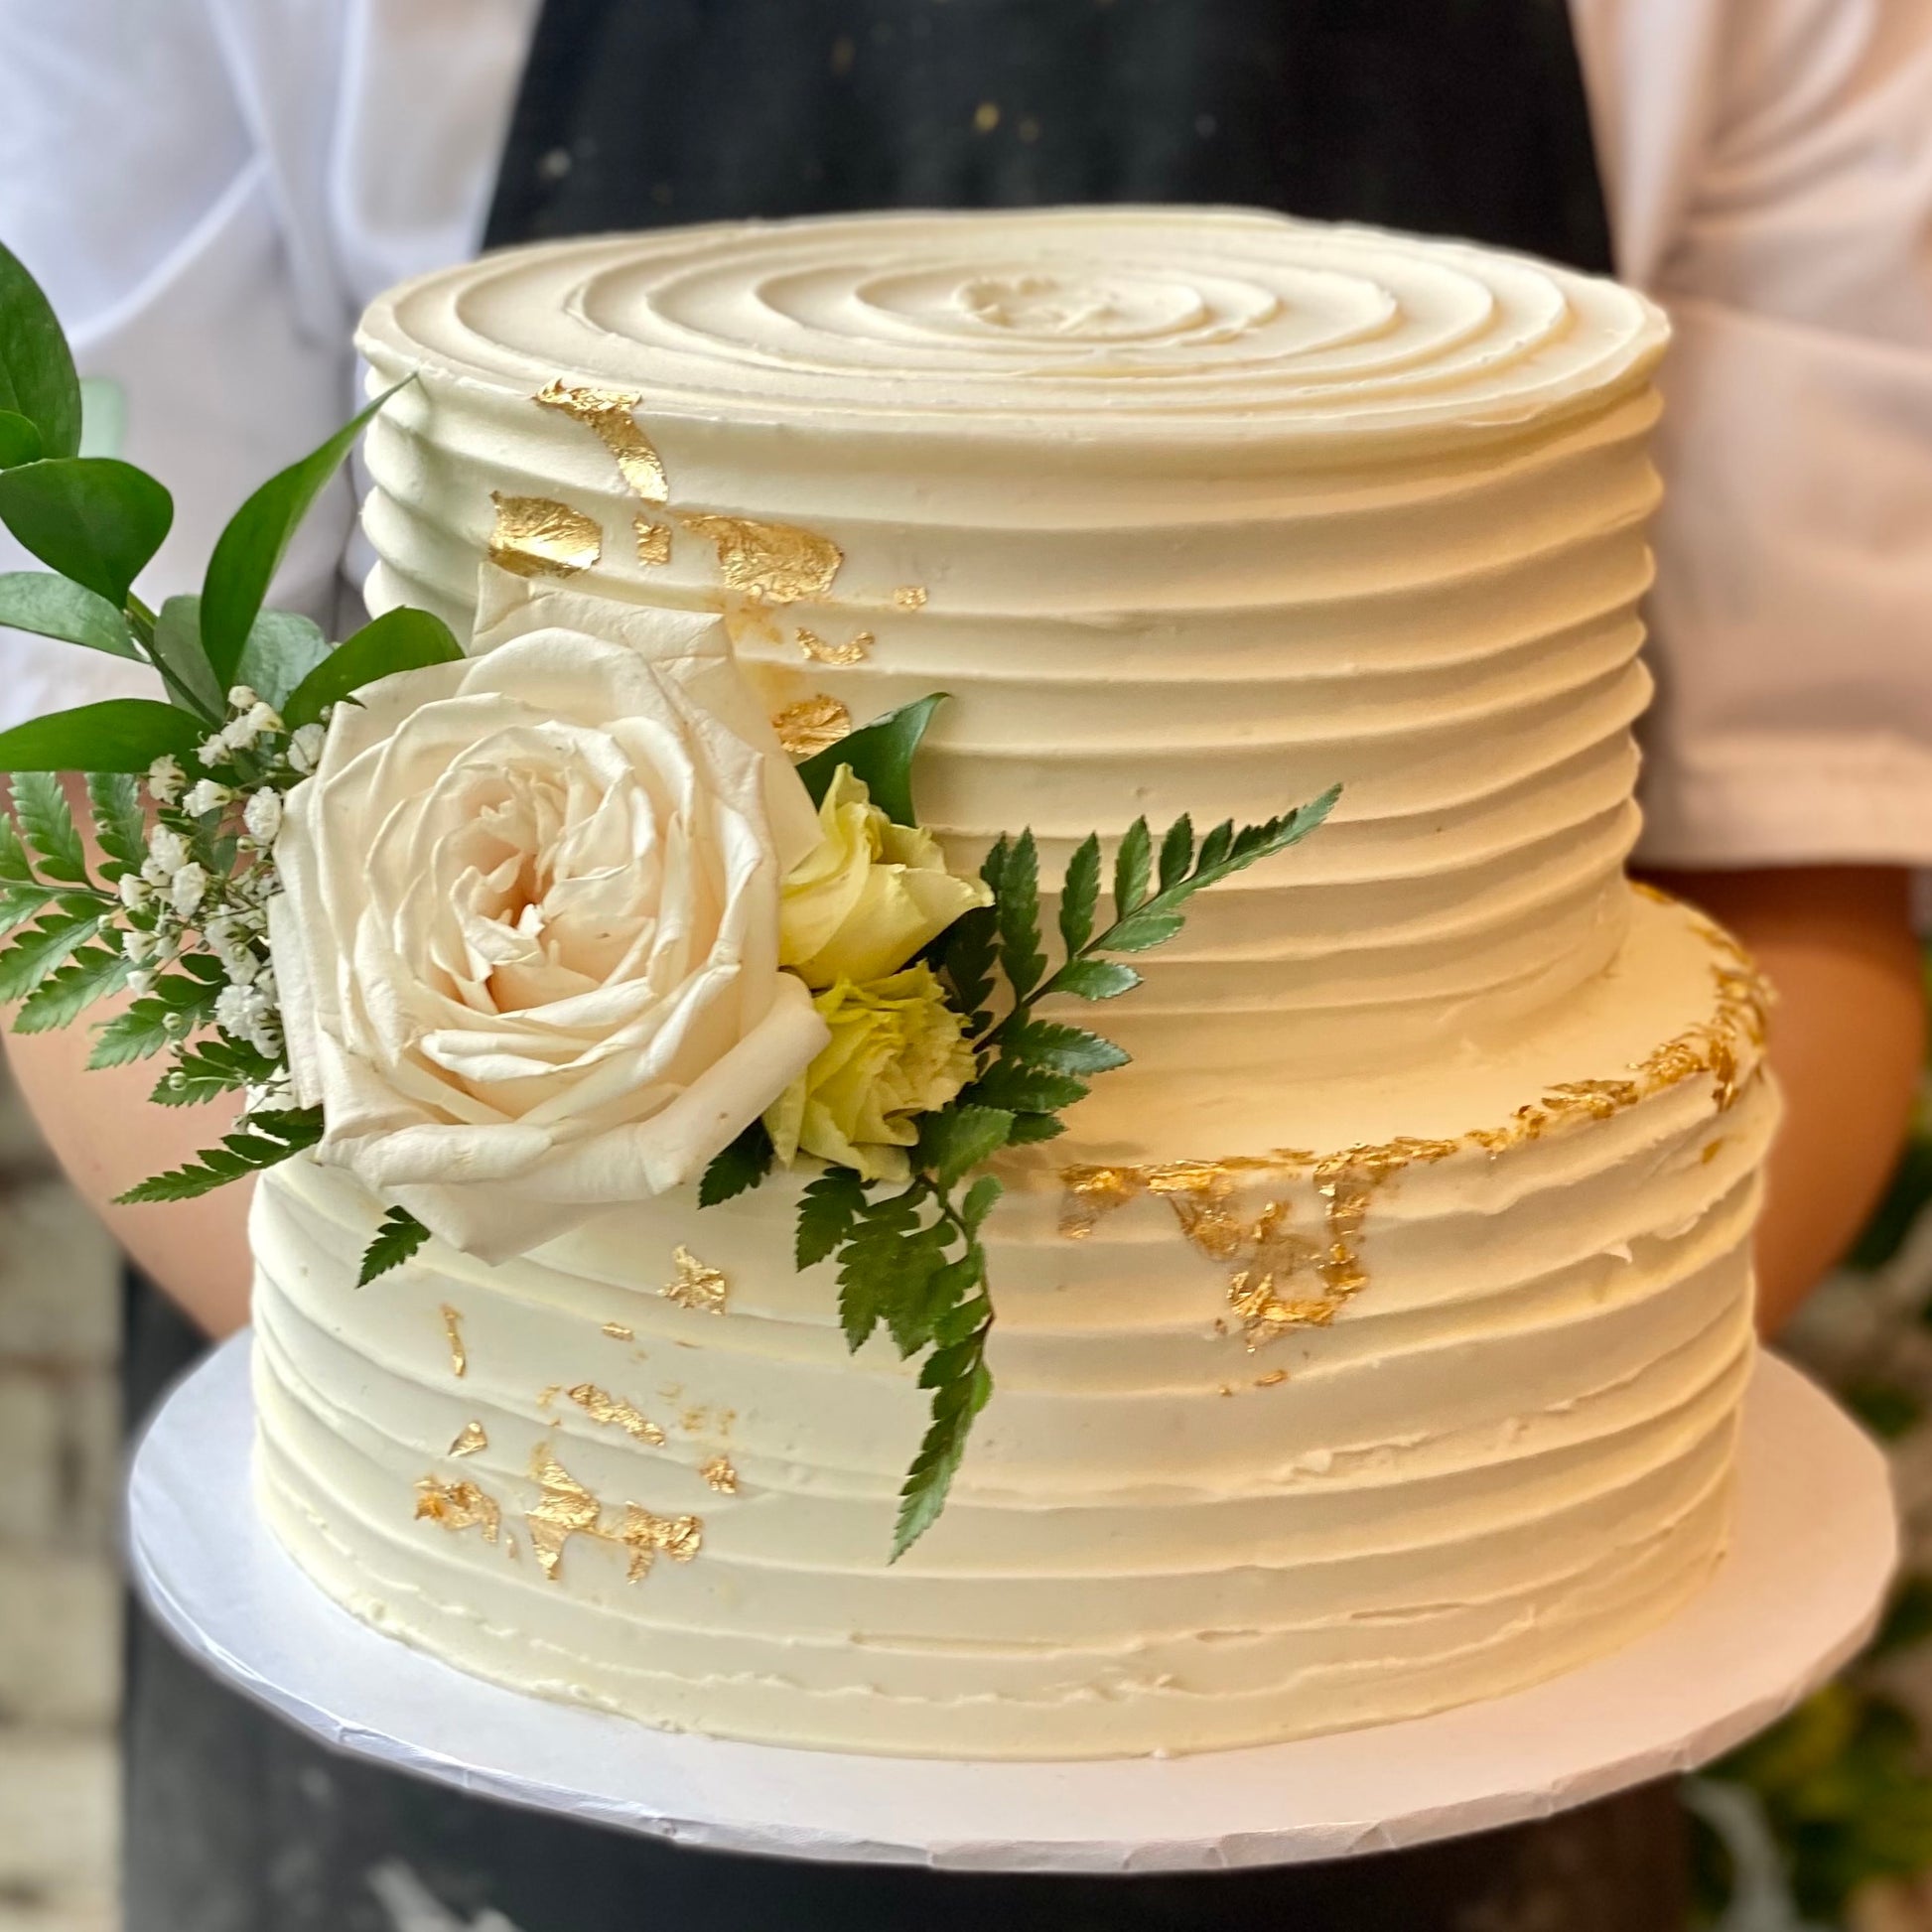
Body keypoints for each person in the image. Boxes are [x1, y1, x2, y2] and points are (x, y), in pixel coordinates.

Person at [1, 2, 1928, 1926]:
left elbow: (1806, 855)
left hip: (1446, 1715)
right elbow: (92, 835)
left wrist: (1397, 1513)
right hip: (491, 1621)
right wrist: (611, 1483)